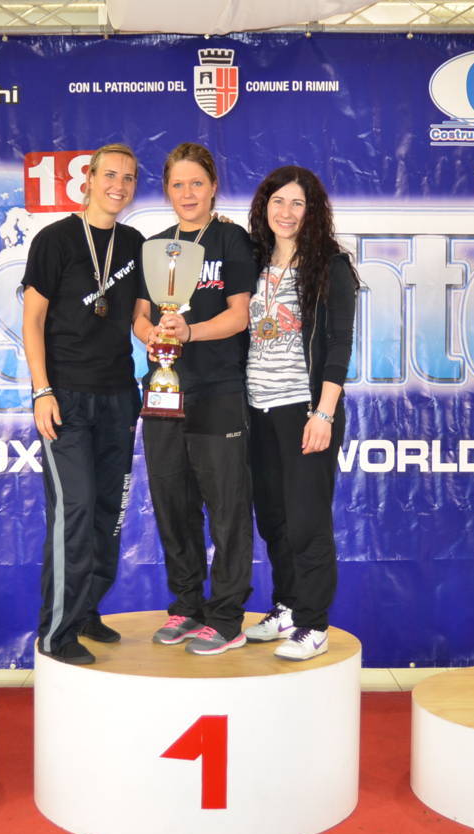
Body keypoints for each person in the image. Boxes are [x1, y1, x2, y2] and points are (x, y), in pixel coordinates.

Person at [21, 143, 145, 665]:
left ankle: (86, 610)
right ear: (88, 180)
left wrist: (165, 335)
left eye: (129, 177)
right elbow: (32, 321)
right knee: (74, 511)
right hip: (66, 398)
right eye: (110, 174)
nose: (119, 185)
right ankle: (56, 632)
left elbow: (140, 318)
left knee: (107, 513)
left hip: (119, 397)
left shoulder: (135, 244)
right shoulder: (55, 240)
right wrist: (41, 390)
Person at [133, 142, 255, 656]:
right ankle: (186, 606)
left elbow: (239, 316)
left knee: (226, 509)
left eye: (197, 183)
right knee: (173, 505)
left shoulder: (231, 239)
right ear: (166, 190)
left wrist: (189, 332)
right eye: (178, 184)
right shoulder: (155, 246)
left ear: (213, 187)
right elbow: (139, 317)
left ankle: (226, 618)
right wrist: (152, 336)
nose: (188, 193)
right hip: (164, 393)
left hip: (218, 392)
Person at [242, 166, 357, 661]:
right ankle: (287, 605)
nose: (286, 213)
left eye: (297, 203)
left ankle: (313, 623)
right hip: (257, 410)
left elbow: (339, 344)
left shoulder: (330, 265)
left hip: (305, 410)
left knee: (307, 522)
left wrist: (324, 414)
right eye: (278, 202)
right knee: (274, 520)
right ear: (264, 206)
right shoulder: (251, 261)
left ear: (312, 212)